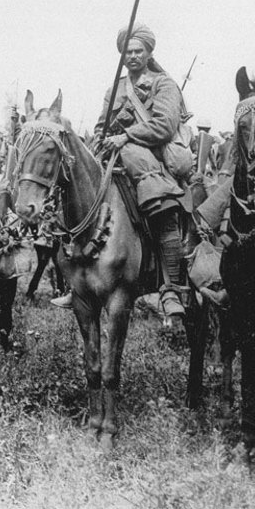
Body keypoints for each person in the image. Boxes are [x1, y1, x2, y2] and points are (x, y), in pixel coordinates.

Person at [95, 23, 190, 321]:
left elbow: (164, 126)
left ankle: (172, 287)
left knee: (161, 204)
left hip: (153, 160)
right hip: (114, 162)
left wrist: (125, 137)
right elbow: (100, 126)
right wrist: (102, 139)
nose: (133, 56)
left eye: (139, 51)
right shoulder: (115, 88)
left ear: (149, 53)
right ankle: (83, 280)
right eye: (128, 51)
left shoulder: (164, 84)